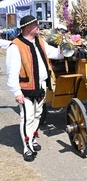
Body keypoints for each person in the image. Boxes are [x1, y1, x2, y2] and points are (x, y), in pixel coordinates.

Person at [6, 15, 63, 162]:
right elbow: (12, 72)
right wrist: (16, 92)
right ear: (28, 27)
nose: (38, 26)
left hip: (41, 85)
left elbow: (53, 53)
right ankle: (27, 147)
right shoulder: (16, 46)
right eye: (36, 24)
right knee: (27, 117)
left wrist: (66, 49)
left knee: (38, 114)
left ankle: (33, 138)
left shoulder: (40, 41)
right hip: (25, 88)